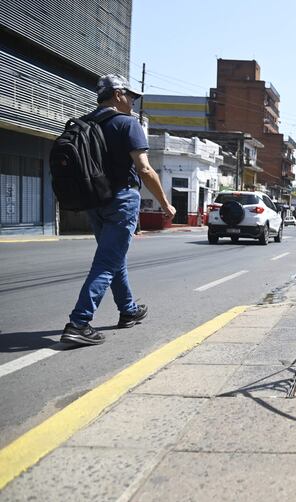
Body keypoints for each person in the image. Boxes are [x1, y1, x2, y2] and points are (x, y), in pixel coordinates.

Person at [60, 74, 175, 345]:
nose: (133, 102)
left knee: (114, 258)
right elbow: (145, 169)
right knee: (107, 262)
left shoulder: (85, 123)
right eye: (131, 96)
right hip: (121, 201)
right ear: (118, 94)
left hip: (94, 201)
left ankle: (128, 310)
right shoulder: (127, 124)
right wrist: (164, 203)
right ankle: (79, 322)